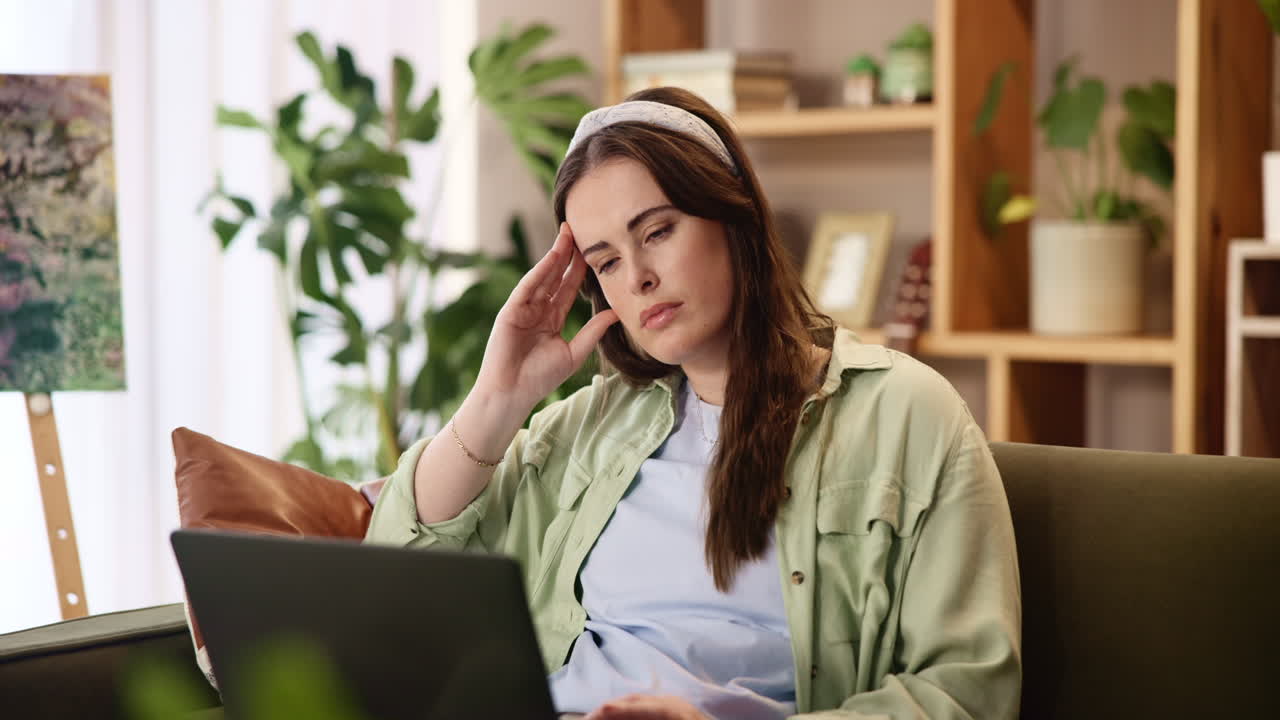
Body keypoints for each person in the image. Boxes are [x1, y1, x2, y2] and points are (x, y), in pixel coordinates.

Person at [365, 86, 1021, 720]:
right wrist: (496, 399)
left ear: (734, 216)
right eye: (607, 262)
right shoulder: (591, 429)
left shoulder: (906, 415)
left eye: (656, 232)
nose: (639, 277)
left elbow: (966, 695)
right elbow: (399, 576)